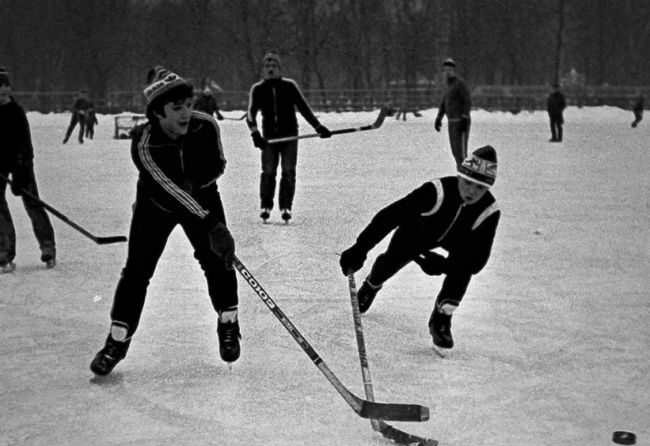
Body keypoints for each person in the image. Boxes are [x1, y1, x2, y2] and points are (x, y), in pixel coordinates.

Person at [90, 66, 239, 376]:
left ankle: (228, 321)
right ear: (157, 112)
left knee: (218, 262)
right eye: (176, 108)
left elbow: (219, 164)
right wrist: (211, 223)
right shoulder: (143, 141)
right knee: (136, 273)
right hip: (156, 205)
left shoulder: (206, 125)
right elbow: (168, 189)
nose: (186, 113)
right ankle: (117, 341)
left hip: (202, 198)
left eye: (188, 104)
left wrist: (198, 183)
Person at [339, 145, 501, 350]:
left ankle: (442, 318)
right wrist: (360, 248)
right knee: (390, 261)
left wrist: (445, 266)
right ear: (459, 176)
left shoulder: (488, 211)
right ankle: (372, 285)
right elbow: (390, 217)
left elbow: (476, 261)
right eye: (468, 182)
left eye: (480, 187)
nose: (471, 191)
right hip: (417, 233)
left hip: (456, 242)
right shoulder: (437, 191)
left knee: (462, 269)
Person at [246, 51, 331, 223]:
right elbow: (250, 114)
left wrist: (318, 127)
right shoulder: (258, 89)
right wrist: (255, 133)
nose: (270, 69)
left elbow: (304, 108)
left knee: (288, 171)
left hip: (290, 137)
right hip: (269, 139)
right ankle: (266, 206)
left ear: (279, 68)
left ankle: (286, 206)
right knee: (268, 171)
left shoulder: (289, 86)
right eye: (267, 66)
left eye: (274, 66)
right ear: (263, 69)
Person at [0, 66, 56, 273]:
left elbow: (25, 146)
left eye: (6, 87)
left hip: (20, 161)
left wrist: (21, 173)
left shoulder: (16, 113)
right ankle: (5, 252)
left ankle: (48, 247)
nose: (3, 92)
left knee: (32, 202)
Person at [434, 58, 472, 166]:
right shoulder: (446, 86)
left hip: (460, 122)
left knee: (461, 153)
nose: (447, 72)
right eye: (445, 70)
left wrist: (465, 117)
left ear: (453, 70)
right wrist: (439, 118)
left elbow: (467, 101)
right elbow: (443, 103)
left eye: (449, 70)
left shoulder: (460, 84)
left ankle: (467, 178)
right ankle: (460, 177)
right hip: (451, 122)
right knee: (455, 152)